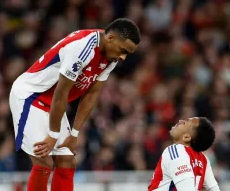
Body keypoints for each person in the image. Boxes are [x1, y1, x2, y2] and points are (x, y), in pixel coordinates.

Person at [9, 18, 140, 191]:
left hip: (51, 103)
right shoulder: (81, 48)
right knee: (44, 162)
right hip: (30, 96)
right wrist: (53, 135)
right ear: (111, 39)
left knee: (67, 162)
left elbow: (92, 94)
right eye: (123, 50)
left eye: (127, 53)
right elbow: (61, 93)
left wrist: (75, 133)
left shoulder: (111, 57)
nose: (123, 57)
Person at [148, 117, 220, 191]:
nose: (180, 121)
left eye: (185, 123)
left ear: (186, 137)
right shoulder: (204, 159)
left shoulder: (176, 150)